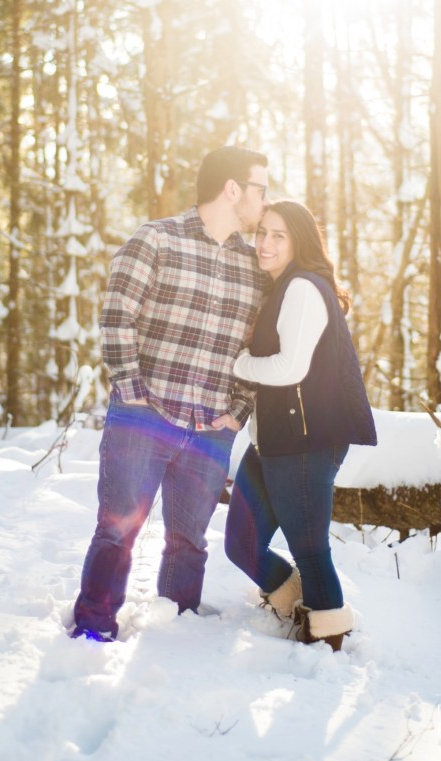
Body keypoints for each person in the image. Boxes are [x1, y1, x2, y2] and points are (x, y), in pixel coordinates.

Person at [72, 146, 270, 642]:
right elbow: (118, 317)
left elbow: (258, 347)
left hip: (210, 431)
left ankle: (176, 636)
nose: (264, 201)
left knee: (190, 543)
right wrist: (133, 395)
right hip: (145, 416)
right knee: (117, 530)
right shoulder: (155, 240)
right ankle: (94, 628)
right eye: (260, 189)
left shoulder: (254, 267)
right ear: (232, 189)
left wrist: (239, 410)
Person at [224, 200, 377, 652]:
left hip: (307, 443)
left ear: (300, 242)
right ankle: (294, 603)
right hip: (274, 441)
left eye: (279, 236)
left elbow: (290, 368)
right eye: (262, 233)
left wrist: (237, 363)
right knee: (241, 543)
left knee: (310, 551)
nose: (265, 244)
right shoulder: (280, 288)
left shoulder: (304, 289)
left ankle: (328, 644)